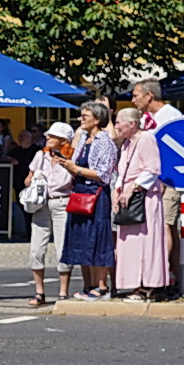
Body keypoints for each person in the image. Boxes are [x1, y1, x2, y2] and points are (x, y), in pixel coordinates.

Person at [59, 102, 117, 300]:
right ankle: (88, 284)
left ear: (97, 119)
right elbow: (76, 165)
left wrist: (76, 169)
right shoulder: (83, 139)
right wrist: (67, 165)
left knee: (98, 238)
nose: (80, 119)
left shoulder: (104, 142)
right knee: (81, 239)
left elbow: (104, 174)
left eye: (85, 116)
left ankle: (101, 286)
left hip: (97, 195)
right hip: (80, 193)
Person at [111, 107, 170, 301]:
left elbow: (153, 169)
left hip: (144, 198)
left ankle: (148, 285)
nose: (116, 126)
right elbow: (122, 171)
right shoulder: (126, 144)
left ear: (132, 124)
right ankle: (131, 284)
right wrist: (118, 189)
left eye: (119, 122)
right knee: (129, 244)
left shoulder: (146, 139)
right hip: (127, 198)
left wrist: (132, 188)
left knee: (147, 241)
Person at [131, 80, 183, 296]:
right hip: (149, 181)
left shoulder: (171, 117)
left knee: (166, 226)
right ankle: (168, 275)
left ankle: (161, 278)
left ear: (149, 95)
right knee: (158, 229)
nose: (133, 100)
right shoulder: (144, 120)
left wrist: (163, 179)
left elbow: (177, 151)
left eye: (136, 95)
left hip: (169, 179)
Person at [23, 121, 77, 306]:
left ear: (63, 140)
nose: (47, 138)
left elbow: (76, 180)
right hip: (41, 204)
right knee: (36, 248)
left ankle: (63, 292)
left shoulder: (72, 158)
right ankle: (39, 292)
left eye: (52, 136)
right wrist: (34, 179)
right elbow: (27, 180)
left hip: (63, 202)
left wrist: (70, 166)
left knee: (63, 248)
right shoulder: (41, 155)